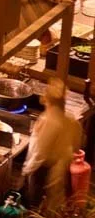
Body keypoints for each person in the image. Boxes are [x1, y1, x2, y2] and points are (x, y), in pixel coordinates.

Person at [24, 79, 80, 210]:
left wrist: (27, 169)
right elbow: (77, 145)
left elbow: (40, 151)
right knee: (55, 205)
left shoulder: (49, 120)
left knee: (37, 207)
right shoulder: (72, 120)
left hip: (43, 170)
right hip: (61, 169)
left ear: (47, 101)